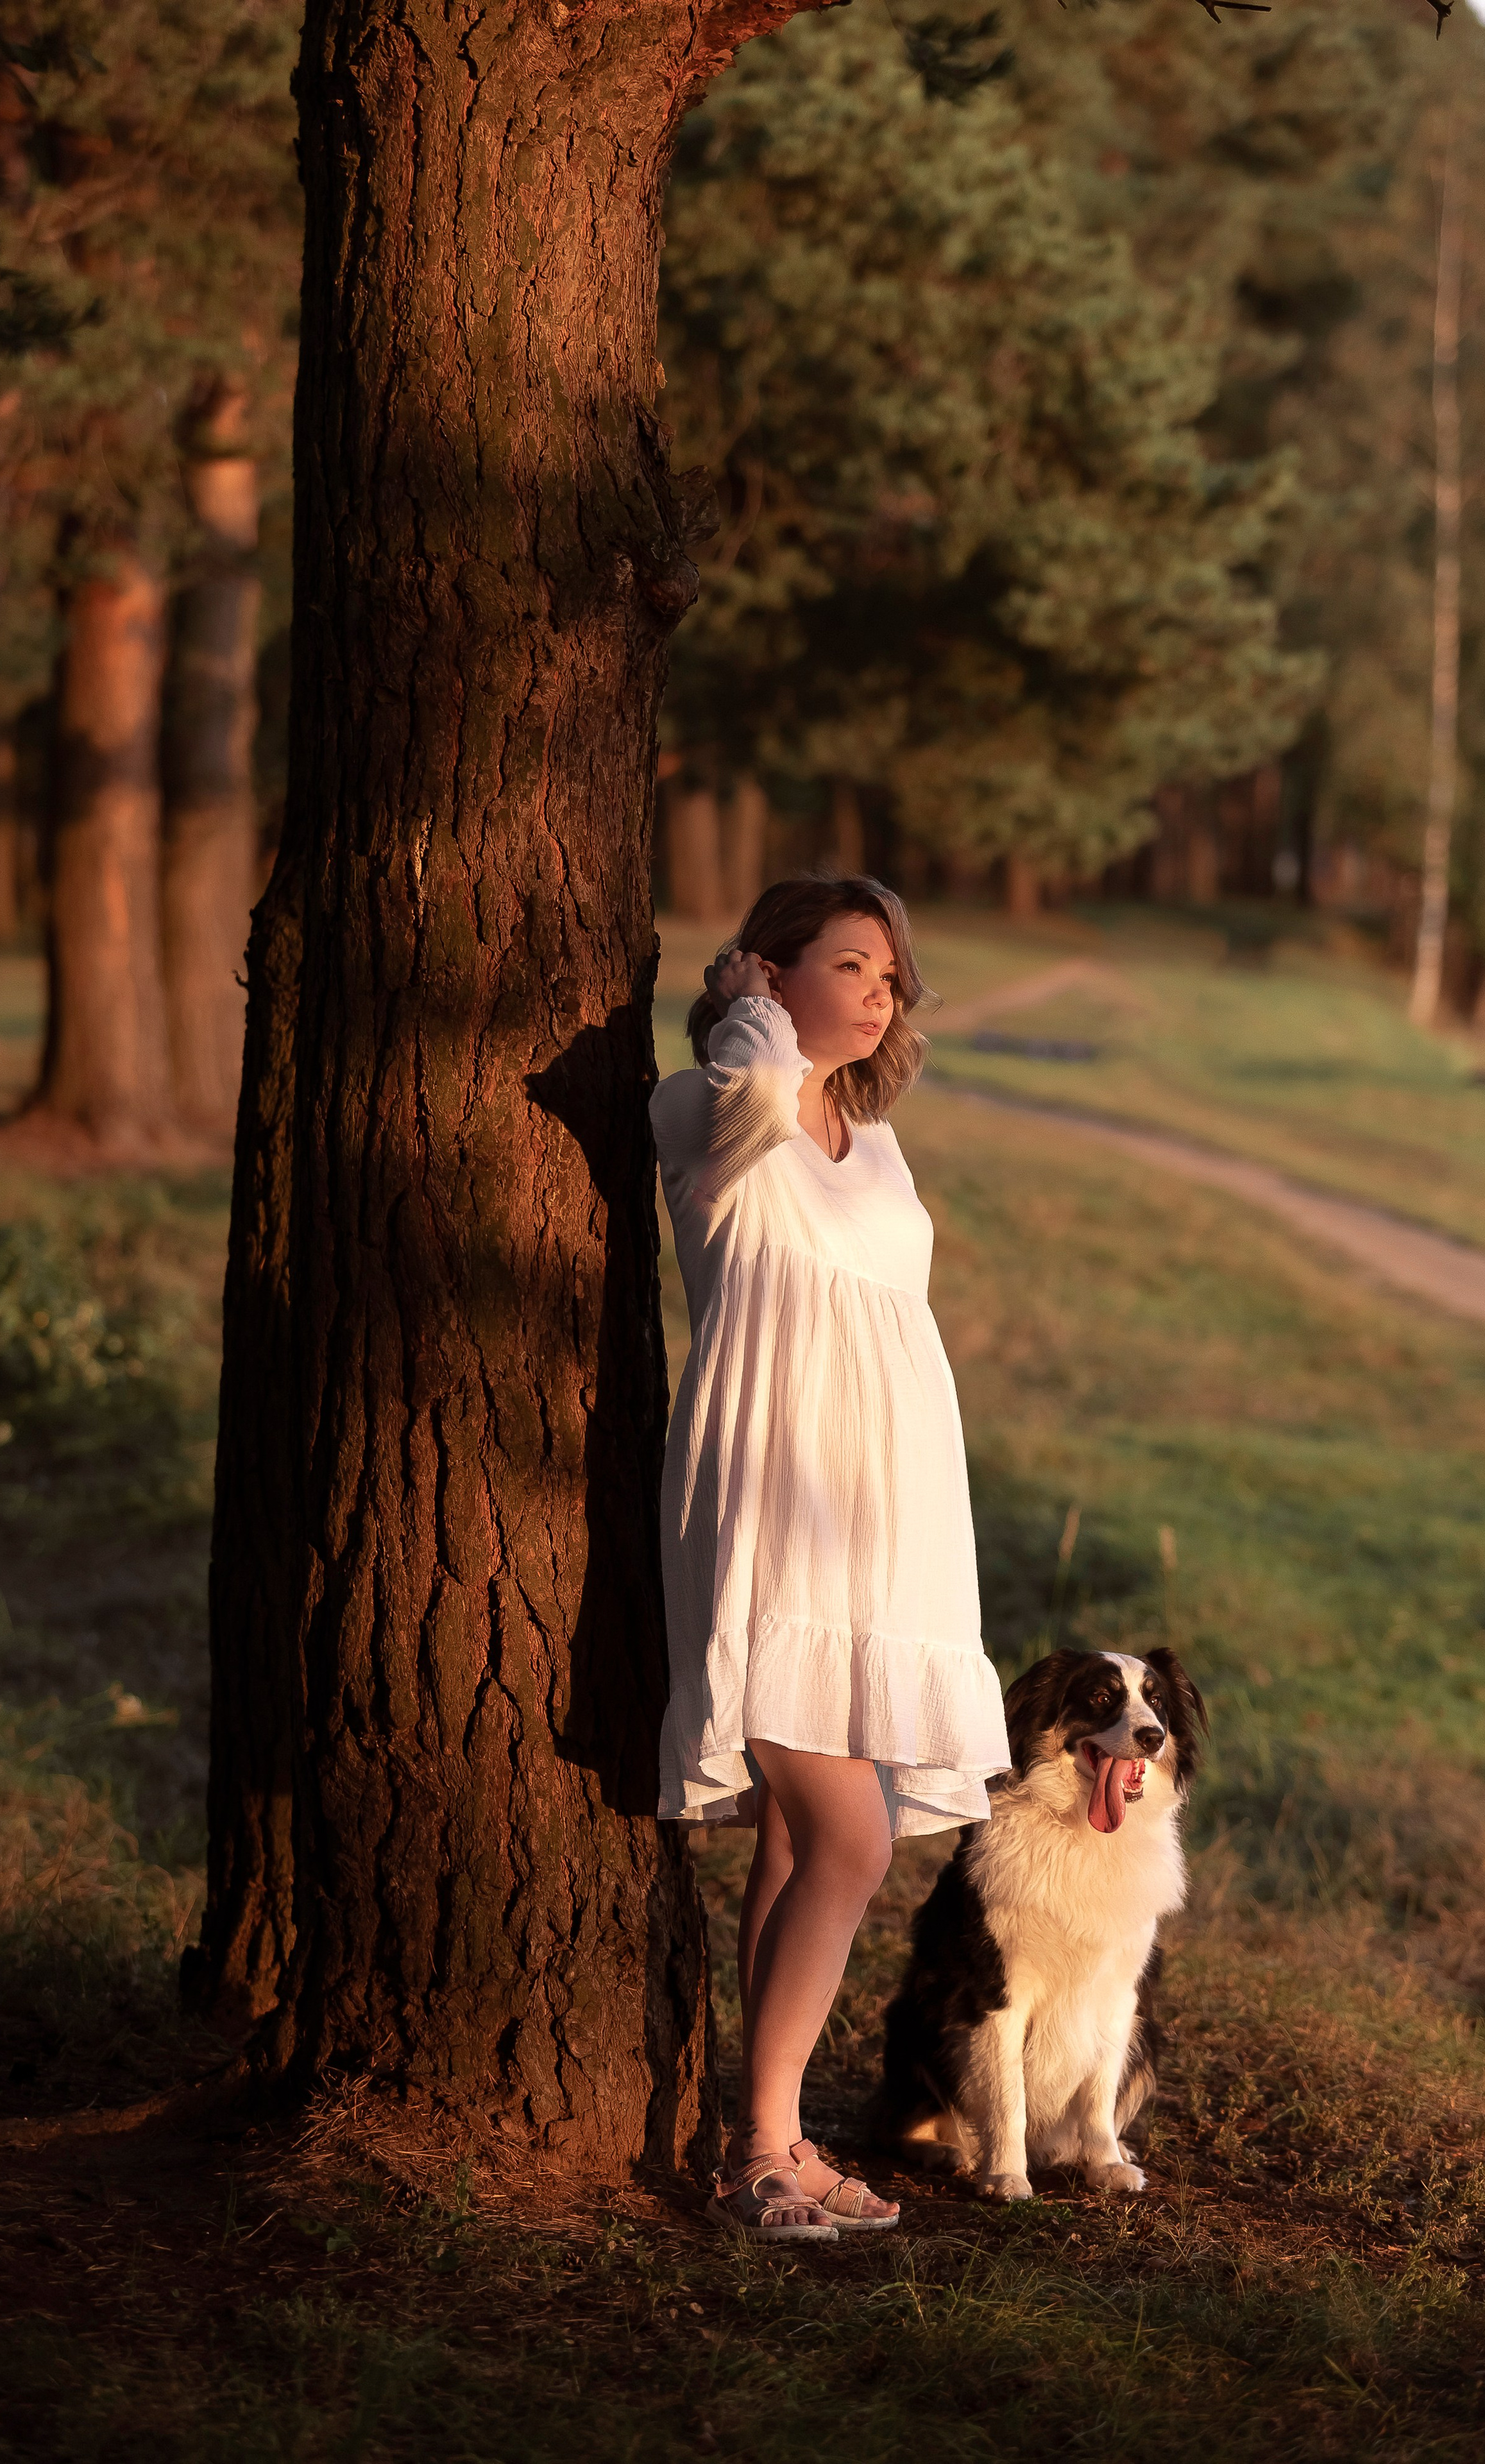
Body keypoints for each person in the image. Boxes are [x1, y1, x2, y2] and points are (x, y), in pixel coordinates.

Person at [651, 873, 1010, 2242]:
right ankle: (758, 2154)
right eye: (849, 963)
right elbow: (743, 1115)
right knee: (851, 1838)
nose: (881, 991)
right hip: (768, 1493)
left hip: (887, 1516)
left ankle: (777, 2139)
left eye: (891, 975)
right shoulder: (702, 1105)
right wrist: (745, 1019)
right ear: (765, 968)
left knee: (803, 1843)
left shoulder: (878, 1142)